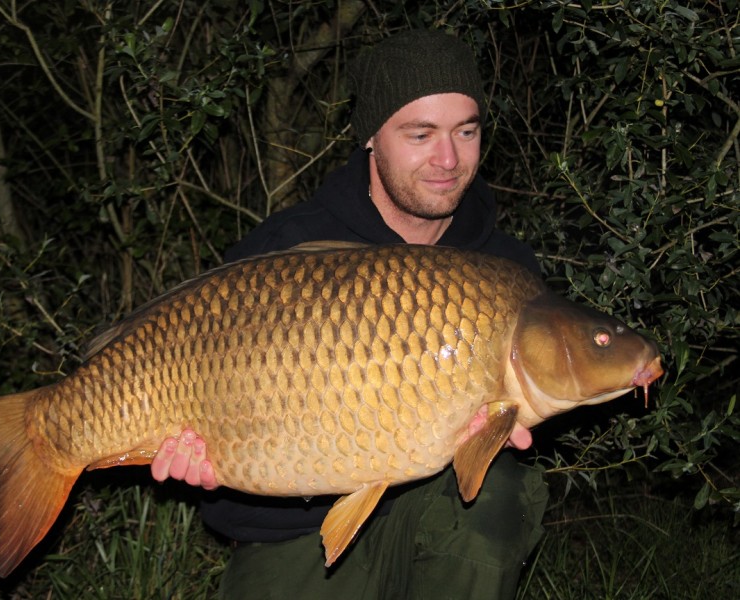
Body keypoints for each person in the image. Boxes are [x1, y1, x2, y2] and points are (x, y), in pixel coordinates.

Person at [151, 29, 548, 599]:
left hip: (437, 522)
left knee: (496, 497)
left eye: (466, 130)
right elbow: (231, 515)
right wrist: (219, 468)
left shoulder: (503, 268)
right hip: (297, 533)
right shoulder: (284, 249)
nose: (448, 159)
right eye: (420, 134)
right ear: (370, 137)